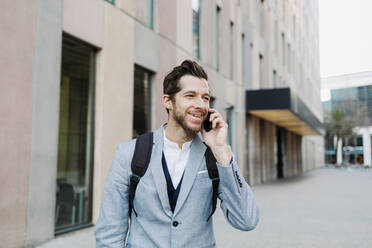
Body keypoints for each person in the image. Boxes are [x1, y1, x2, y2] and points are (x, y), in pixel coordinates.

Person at [95, 60, 259, 247]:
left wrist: (221, 150)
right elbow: (110, 231)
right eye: (190, 96)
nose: (201, 105)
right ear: (168, 101)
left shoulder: (216, 155)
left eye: (205, 98)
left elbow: (247, 220)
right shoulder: (130, 153)